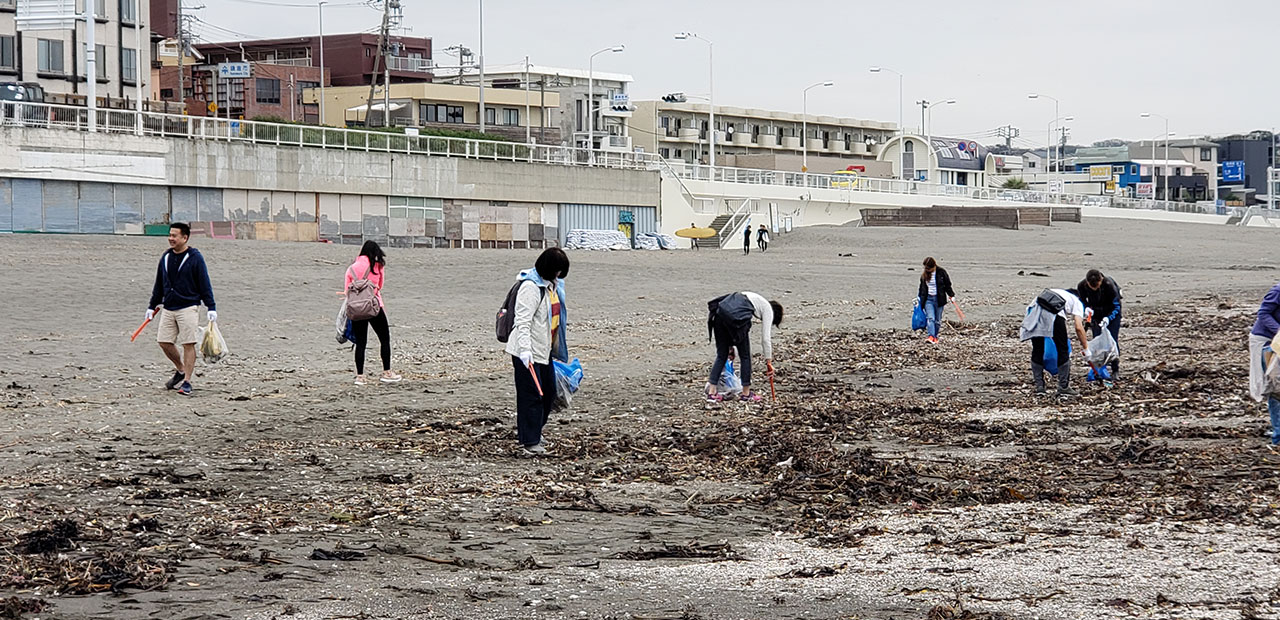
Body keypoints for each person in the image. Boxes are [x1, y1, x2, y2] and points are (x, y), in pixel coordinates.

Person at [505, 247, 570, 456]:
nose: (559, 275)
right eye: (557, 271)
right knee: (531, 395)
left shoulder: (553, 286)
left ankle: (534, 431)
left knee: (549, 393)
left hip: (545, 350)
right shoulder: (531, 288)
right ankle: (530, 441)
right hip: (527, 351)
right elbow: (522, 322)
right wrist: (525, 351)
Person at [146, 222, 216, 397]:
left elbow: (204, 282)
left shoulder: (195, 257)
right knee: (164, 342)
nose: (171, 238)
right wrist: (152, 305)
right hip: (169, 307)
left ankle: (187, 382)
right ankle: (181, 369)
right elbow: (159, 283)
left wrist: (211, 306)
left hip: (189, 307)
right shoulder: (166, 257)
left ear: (185, 238)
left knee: (188, 344)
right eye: (170, 235)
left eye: (174, 236)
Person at [706, 292, 783, 403]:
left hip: (718, 315)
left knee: (721, 355)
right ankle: (746, 394)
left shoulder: (752, 298)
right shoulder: (767, 309)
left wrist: (730, 347)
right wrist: (769, 361)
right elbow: (765, 339)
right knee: (745, 356)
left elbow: (729, 313)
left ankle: (712, 393)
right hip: (734, 318)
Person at [346, 241, 401, 385]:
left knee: (361, 342)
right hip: (374, 306)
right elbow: (380, 286)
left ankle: (360, 376)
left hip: (356, 308)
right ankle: (387, 372)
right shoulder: (377, 267)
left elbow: (347, 290)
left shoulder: (351, 268)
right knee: (384, 339)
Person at [1019, 288, 1090, 397]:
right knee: (1062, 349)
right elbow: (1078, 327)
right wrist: (1086, 348)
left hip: (1034, 311)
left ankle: (1040, 387)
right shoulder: (1077, 301)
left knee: (1038, 349)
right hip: (1054, 314)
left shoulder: (1058, 292)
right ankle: (1063, 387)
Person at [1249, 281, 1280, 446]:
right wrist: (1279, 331)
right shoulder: (1278, 290)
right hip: (1265, 340)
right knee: (1275, 387)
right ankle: (1278, 436)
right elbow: (1263, 313)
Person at [1077, 269, 1123, 379]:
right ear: (1087, 282)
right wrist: (1086, 309)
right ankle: (1100, 369)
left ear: (1101, 281)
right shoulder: (1082, 286)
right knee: (1097, 341)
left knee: (1112, 340)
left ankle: (1115, 369)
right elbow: (1082, 302)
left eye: (1097, 287)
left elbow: (1117, 306)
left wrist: (1108, 318)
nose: (1095, 289)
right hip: (1095, 315)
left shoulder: (1109, 285)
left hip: (1111, 314)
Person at [918, 257, 957, 344]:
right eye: (926, 268)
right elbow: (921, 288)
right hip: (928, 299)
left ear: (934, 266)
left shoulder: (942, 272)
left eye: (929, 268)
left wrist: (951, 295)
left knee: (937, 321)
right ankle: (931, 336)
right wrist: (919, 298)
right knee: (931, 318)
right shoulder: (924, 275)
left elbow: (947, 285)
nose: (927, 270)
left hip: (939, 299)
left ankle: (935, 337)